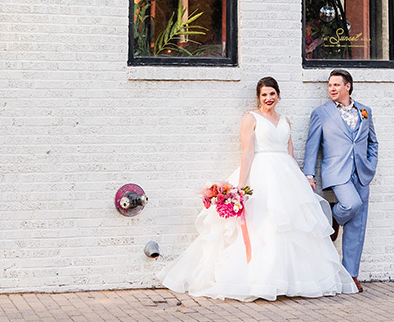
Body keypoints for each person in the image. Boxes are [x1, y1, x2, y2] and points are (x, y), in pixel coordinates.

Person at [158, 77, 357, 302]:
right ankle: (261, 280)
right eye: (264, 95)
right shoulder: (251, 118)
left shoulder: (285, 121)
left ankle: (290, 280)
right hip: (262, 174)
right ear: (258, 97)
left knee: (291, 226)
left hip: (286, 176)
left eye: (272, 94)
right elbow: (247, 152)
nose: (268, 98)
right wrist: (241, 187)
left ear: (278, 95)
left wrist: (302, 178)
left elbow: (290, 153)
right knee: (264, 224)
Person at [303, 68, 378, 293]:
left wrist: (370, 164)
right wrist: (309, 174)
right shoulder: (321, 113)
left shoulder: (365, 111)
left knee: (358, 225)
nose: (332, 89)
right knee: (352, 205)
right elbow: (312, 145)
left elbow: (373, 142)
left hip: (362, 173)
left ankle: (350, 276)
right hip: (337, 172)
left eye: (336, 85)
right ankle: (335, 218)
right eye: (329, 85)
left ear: (348, 86)